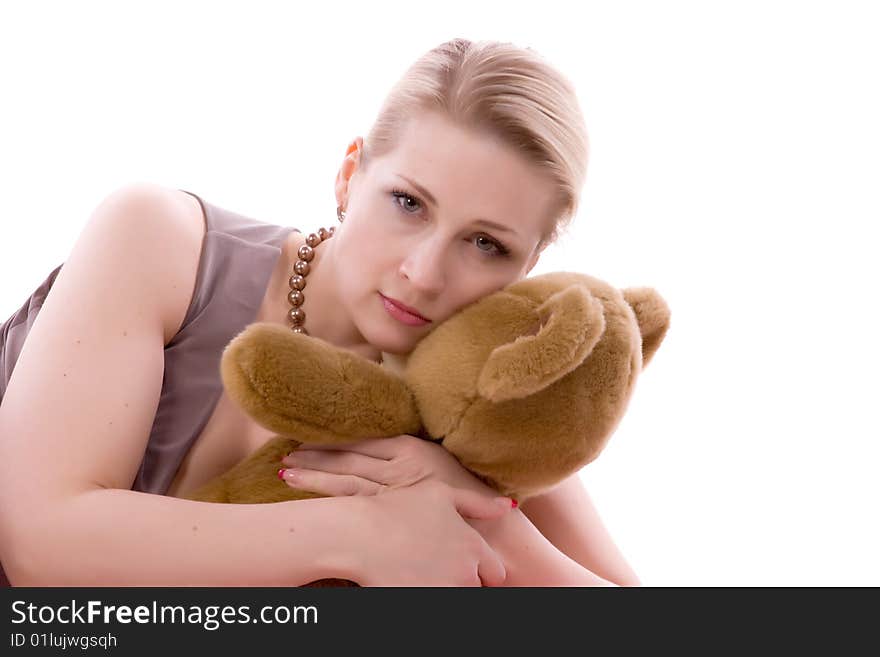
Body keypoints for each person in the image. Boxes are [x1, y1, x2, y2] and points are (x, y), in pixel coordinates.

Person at [0, 38, 640, 586]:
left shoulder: (484, 395)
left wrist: (488, 524)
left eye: (485, 244)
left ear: (527, 265)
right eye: (408, 203)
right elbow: (37, 544)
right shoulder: (160, 240)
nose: (423, 273)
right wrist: (357, 533)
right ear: (349, 176)